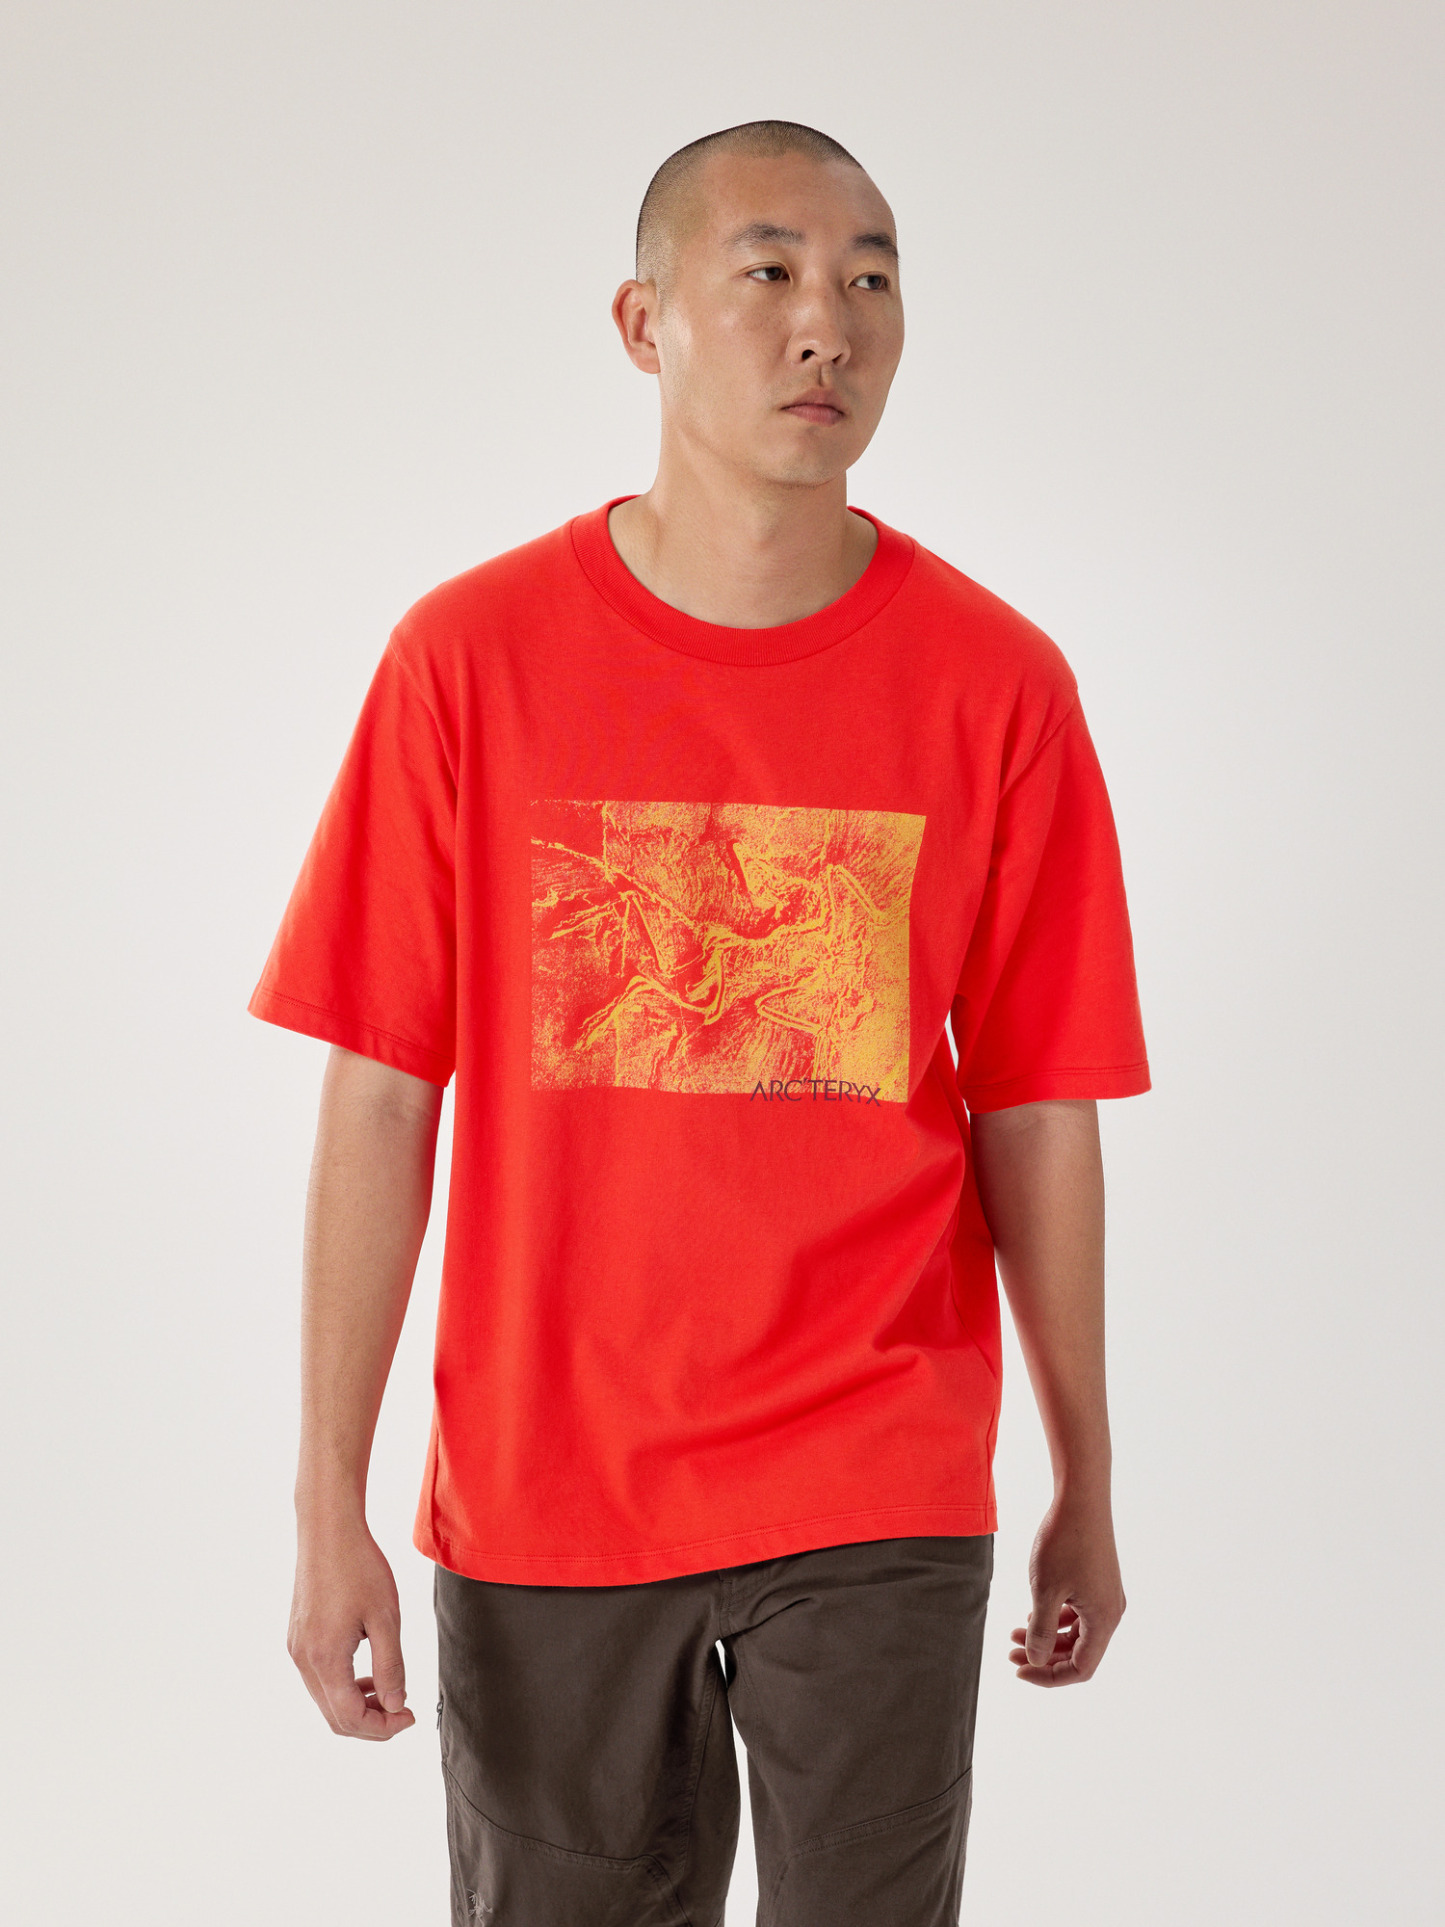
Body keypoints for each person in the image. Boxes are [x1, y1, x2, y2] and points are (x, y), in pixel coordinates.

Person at [250, 119, 1150, 1926]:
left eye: (871, 278)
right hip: (550, 1483)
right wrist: (323, 1503)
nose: (829, 323)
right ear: (641, 320)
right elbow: (380, 1089)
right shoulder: (468, 660)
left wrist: (1085, 1476)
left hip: (879, 1466)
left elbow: (1035, 1108)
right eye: (770, 272)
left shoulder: (997, 684)